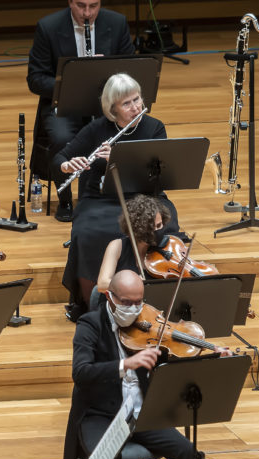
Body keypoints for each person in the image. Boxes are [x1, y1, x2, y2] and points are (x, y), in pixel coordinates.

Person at [62, 270, 232, 459]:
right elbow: (81, 372)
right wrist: (125, 363)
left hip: (142, 414)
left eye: (139, 301)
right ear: (109, 297)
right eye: (127, 301)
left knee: (186, 452)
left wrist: (212, 353)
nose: (134, 308)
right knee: (102, 457)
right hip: (100, 415)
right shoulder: (89, 325)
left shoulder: (149, 324)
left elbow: (177, 353)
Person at [55, 73, 178, 320]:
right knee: (87, 231)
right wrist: (67, 166)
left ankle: (155, 292)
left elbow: (158, 176)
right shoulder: (97, 129)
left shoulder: (154, 127)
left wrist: (119, 159)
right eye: (127, 103)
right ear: (113, 109)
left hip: (145, 196)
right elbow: (59, 158)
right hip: (102, 197)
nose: (135, 107)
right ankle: (93, 305)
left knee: (166, 223)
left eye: (137, 100)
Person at [27, 0, 134, 222]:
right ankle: (65, 198)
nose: (87, 13)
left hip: (107, 102)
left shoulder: (117, 22)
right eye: (81, 6)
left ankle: (109, 195)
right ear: (70, 3)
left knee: (127, 134)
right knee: (62, 138)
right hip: (65, 104)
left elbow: (130, 68)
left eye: (93, 6)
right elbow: (35, 79)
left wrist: (107, 72)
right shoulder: (48, 27)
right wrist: (73, 78)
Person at [95, 194, 169, 295]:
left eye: (159, 225)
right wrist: (132, 285)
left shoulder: (168, 246)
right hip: (121, 305)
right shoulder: (117, 246)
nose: (156, 231)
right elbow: (102, 285)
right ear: (137, 229)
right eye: (151, 228)